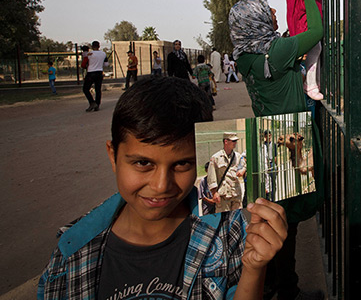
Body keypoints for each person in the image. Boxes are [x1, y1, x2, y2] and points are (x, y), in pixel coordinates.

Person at [38, 76, 288, 300]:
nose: (161, 186)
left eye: (181, 164)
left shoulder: (228, 231)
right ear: (113, 156)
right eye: (143, 163)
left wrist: (255, 268)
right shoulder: (71, 255)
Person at [229, 0, 324, 300]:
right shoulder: (278, 52)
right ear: (255, 20)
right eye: (265, 8)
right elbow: (317, 32)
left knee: (272, 215)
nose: (272, 10)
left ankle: (269, 283)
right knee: (288, 222)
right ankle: (288, 290)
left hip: (266, 139)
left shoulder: (244, 55)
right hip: (290, 140)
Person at [207, 132, 245, 213]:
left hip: (236, 194)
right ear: (226, 141)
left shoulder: (237, 156)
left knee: (236, 218)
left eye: (236, 141)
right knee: (224, 220)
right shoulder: (216, 158)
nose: (235, 143)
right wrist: (214, 193)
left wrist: (243, 170)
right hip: (223, 196)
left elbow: (244, 166)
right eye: (233, 141)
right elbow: (211, 178)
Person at [83, 40, 108, 112]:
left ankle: (92, 102)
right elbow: (106, 64)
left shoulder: (89, 54)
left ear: (92, 46)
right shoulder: (103, 54)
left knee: (86, 89)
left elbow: (84, 62)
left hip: (91, 72)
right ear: (99, 46)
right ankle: (97, 104)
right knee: (98, 89)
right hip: (99, 72)